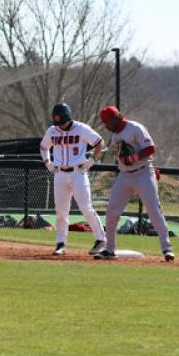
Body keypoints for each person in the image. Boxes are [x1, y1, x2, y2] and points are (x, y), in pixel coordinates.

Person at [93, 105, 175, 262]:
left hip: (143, 173)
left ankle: (167, 248)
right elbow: (118, 153)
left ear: (116, 118)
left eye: (107, 122)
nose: (106, 126)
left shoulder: (135, 128)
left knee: (153, 210)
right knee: (112, 211)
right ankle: (109, 249)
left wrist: (134, 158)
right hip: (124, 176)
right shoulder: (115, 136)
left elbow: (151, 148)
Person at [40, 103, 107, 256]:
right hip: (60, 174)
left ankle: (101, 239)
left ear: (68, 118)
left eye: (62, 121)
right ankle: (60, 244)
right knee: (61, 211)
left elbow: (99, 142)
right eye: (57, 122)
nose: (60, 125)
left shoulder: (81, 128)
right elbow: (43, 147)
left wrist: (92, 160)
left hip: (78, 172)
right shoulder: (52, 130)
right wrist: (47, 162)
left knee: (85, 207)